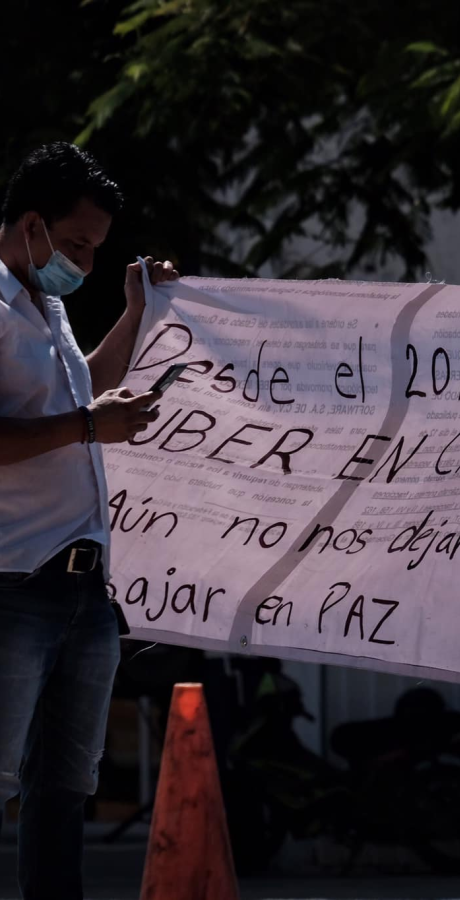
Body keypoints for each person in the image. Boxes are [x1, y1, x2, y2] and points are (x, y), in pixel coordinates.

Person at [0, 142, 179, 899]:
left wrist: (137, 311)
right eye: (75, 244)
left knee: (66, 790)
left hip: (84, 592)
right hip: (13, 586)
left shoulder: (51, 307)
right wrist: (86, 427)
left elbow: (87, 388)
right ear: (31, 224)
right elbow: (73, 417)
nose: (84, 262)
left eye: (98, 250)